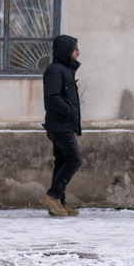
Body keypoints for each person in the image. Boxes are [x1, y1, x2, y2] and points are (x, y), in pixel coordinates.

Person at [40, 35, 83, 217]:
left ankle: (59, 203)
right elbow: (52, 97)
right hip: (60, 125)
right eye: (75, 50)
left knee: (62, 162)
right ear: (67, 51)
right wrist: (69, 112)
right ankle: (53, 196)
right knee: (74, 159)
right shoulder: (55, 70)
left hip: (63, 124)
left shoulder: (64, 70)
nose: (78, 53)